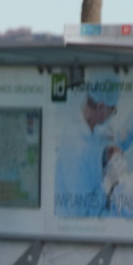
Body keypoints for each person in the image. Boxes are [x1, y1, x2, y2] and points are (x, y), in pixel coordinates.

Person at [53, 80, 122, 217]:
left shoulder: (84, 123)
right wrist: (108, 183)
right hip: (74, 228)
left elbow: (90, 150)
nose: (111, 115)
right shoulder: (76, 151)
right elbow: (81, 214)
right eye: (112, 110)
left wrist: (104, 156)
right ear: (101, 106)